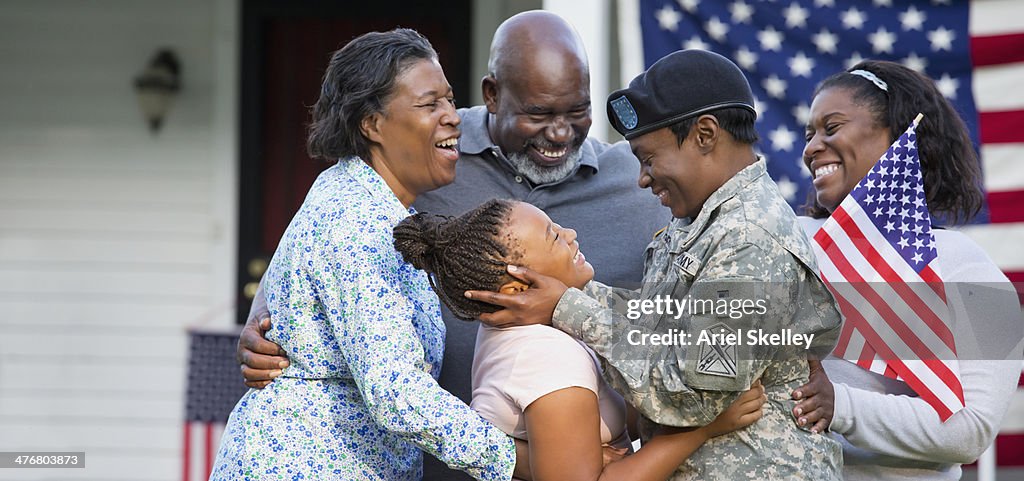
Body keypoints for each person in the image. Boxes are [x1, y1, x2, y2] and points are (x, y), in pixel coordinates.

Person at [236, 11, 670, 480]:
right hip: (320, 463)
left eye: (577, 110)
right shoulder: (409, 171)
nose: (560, 131)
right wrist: (264, 325)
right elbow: (393, 388)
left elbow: (723, 321)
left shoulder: (642, 182)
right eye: (538, 113)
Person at [465, 49, 845, 480]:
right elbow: (660, 322)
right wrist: (565, 294)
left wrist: (566, 308)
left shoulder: (749, 238)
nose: (642, 179)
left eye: (648, 159)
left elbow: (694, 393)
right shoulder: (701, 220)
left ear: (704, 135)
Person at [210, 29, 519, 481]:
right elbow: (398, 393)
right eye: (430, 104)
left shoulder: (359, 196)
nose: (453, 117)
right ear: (371, 124)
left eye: (451, 101)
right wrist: (522, 460)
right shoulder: (354, 221)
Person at [392, 198, 767, 481]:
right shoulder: (543, 355)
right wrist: (702, 427)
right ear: (517, 286)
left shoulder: (532, 327)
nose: (570, 235)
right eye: (553, 236)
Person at [789, 60, 1024, 480]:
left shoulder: (971, 270)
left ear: (898, 137)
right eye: (809, 135)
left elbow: (969, 430)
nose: (810, 148)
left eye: (831, 127)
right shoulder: (787, 240)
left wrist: (838, 405)